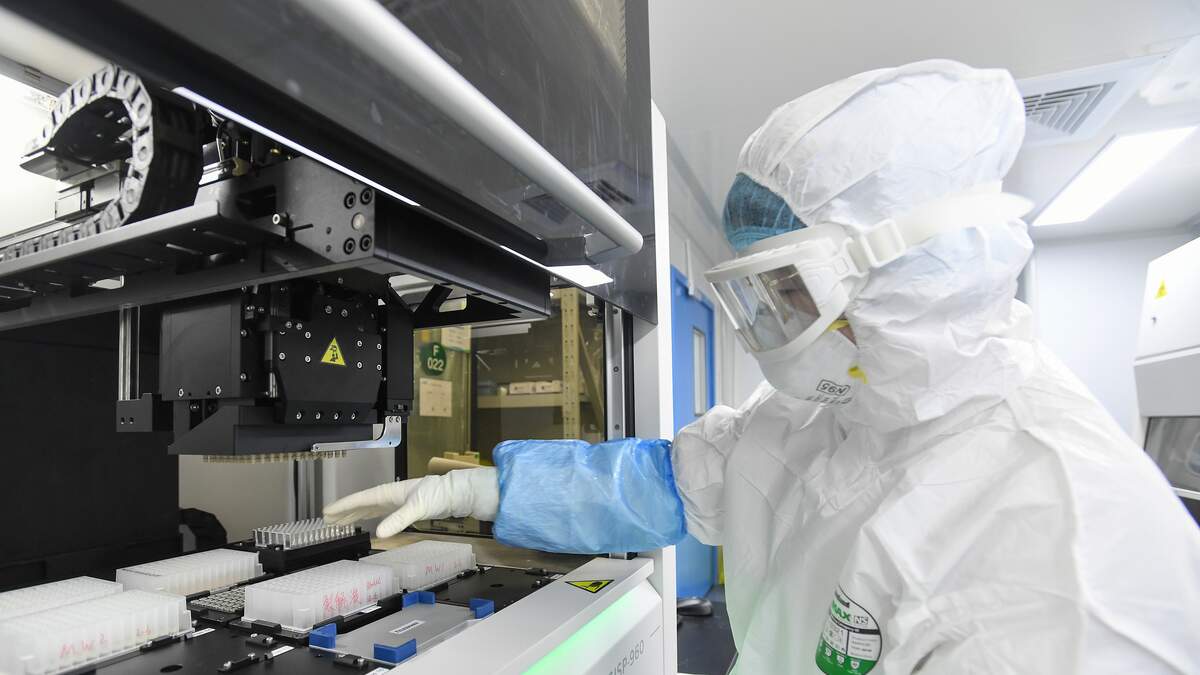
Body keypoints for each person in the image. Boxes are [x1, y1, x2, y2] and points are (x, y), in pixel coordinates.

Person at [326, 59, 1200, 673]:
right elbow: (661, 484)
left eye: (788, 291)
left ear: (910, 274)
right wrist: (471, 489)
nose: (765, 331)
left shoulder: (1068, 553)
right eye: (758, 295)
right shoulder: (837, 407)